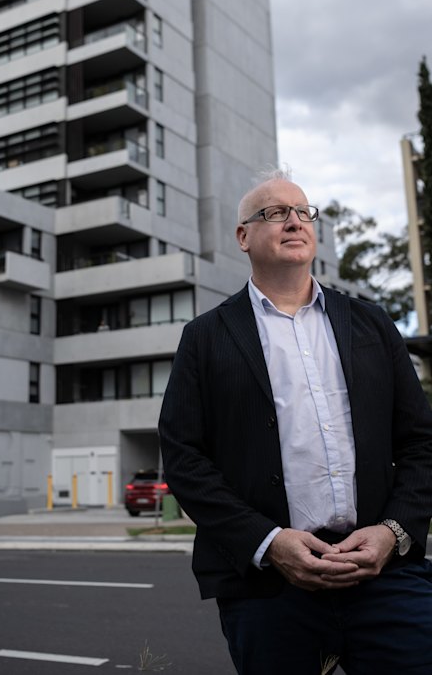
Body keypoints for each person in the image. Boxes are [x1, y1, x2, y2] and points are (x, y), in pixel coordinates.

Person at [158, 170, 432, 675]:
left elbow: (421, 444)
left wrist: (393, 533)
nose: (293, 221)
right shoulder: (205, 337)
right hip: (269, 589)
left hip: (385, 577)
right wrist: (268, 543)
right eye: (274, 212)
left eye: (302, 212)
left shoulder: (371, 324)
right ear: (243, 236)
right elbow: (183, 456)